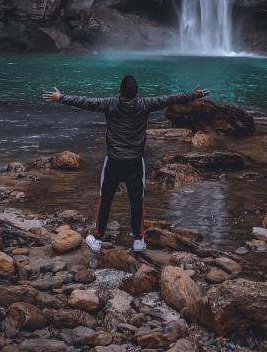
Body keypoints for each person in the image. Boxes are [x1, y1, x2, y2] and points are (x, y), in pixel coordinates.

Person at [43, 75, 209, 253]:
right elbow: (169, 99)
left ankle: (97, 239)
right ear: (136, 92)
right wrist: (193, 96)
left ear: (120, 91)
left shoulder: (110, 104)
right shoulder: (145, 104)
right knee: (137, 201)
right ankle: (138, 240)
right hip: (135, 162)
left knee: (105, 199)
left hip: (113, 161)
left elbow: (85, 102)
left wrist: (61, 98)